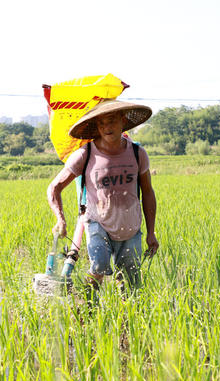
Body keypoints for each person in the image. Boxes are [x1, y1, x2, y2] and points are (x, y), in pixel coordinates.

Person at [47, 99, 158, 295]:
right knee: (99, 265)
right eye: (101, 123)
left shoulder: (137, 153)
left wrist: (151, 232)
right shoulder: (85, 154)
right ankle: (86, 306)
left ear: (123, 121)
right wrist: (60, 219)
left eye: (111, 120)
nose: (107, 127)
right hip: (97, 222)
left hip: (130, 225)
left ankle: (127, 318)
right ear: (96, 127)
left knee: (130, 279)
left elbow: (148, 192)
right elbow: (54, 187)